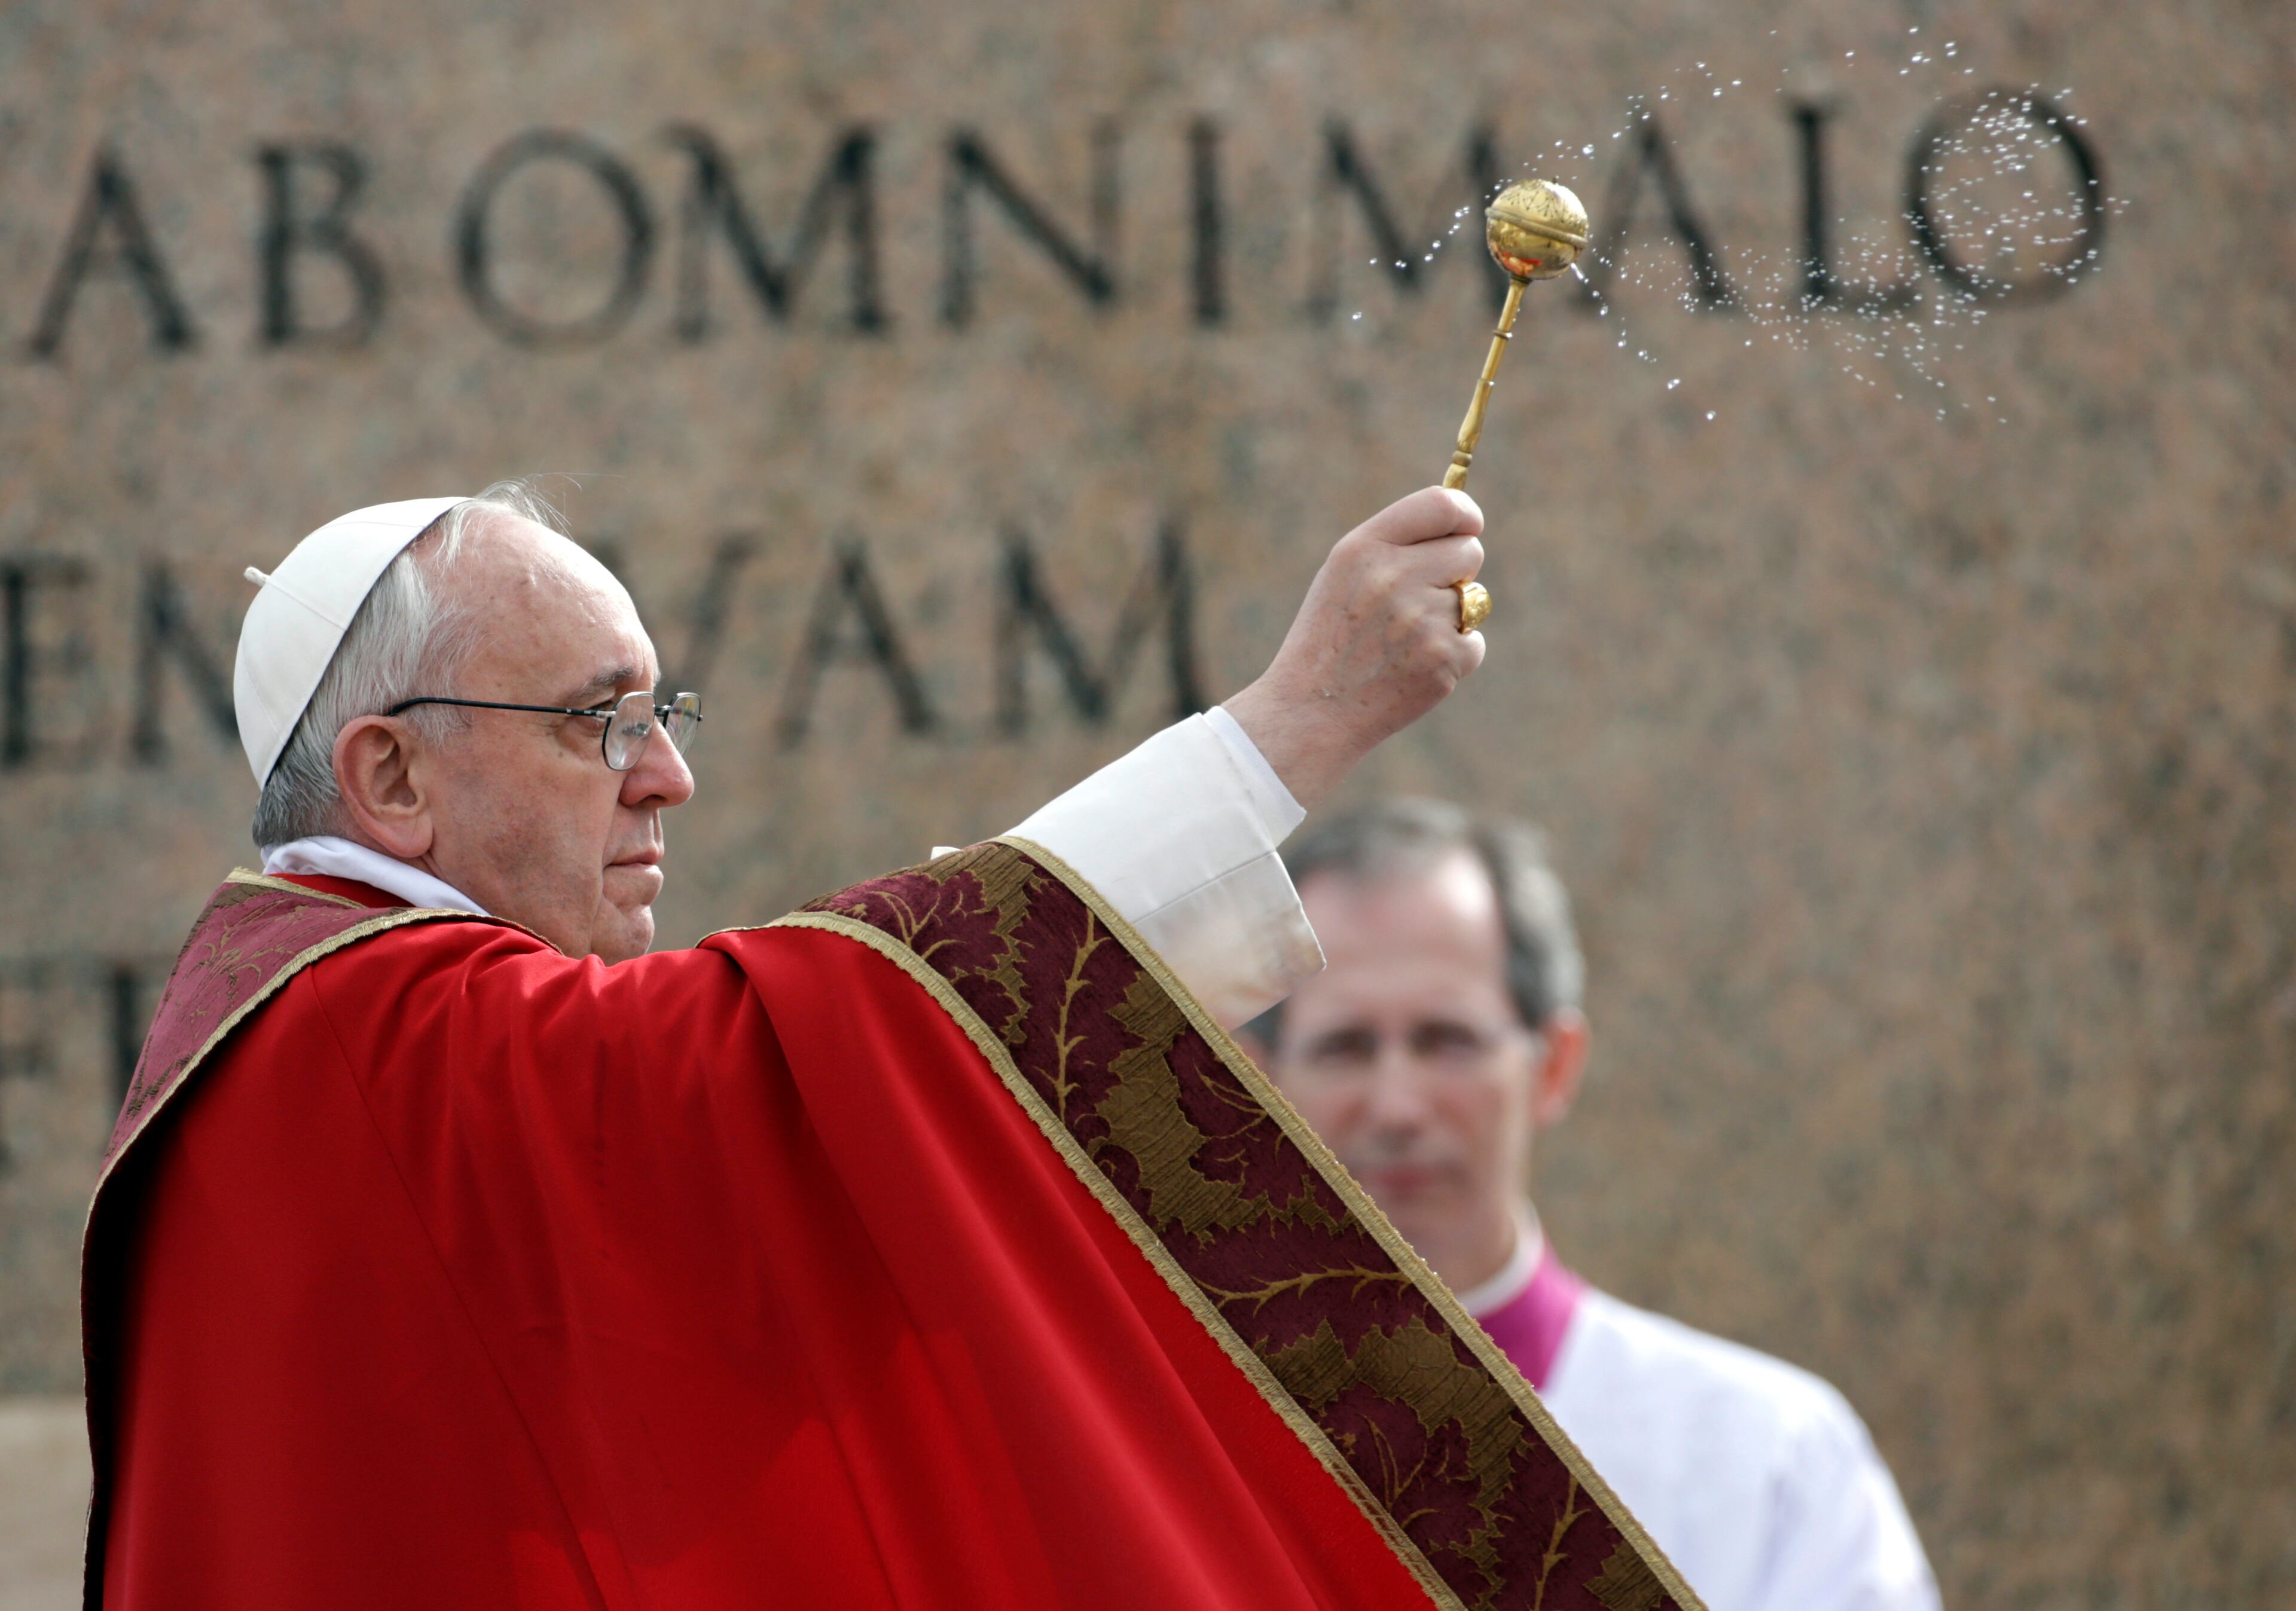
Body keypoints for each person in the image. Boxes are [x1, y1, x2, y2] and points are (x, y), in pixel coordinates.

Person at [83, 483, 1697, 1610]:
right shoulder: (362, 1048)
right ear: (390, 781)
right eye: (599, 725)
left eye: (666, 717)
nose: (667, 782)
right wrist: (1289, 729)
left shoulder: (335, 1039)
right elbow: (833, 1043)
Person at [1246, 799, 1941, 1611]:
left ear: (1553, 1067)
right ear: (1260, 1081)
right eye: (1345, 1046)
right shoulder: (1165, 1444)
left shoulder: (1766, 1458)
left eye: (1448, 1040)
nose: (1398, 1105)